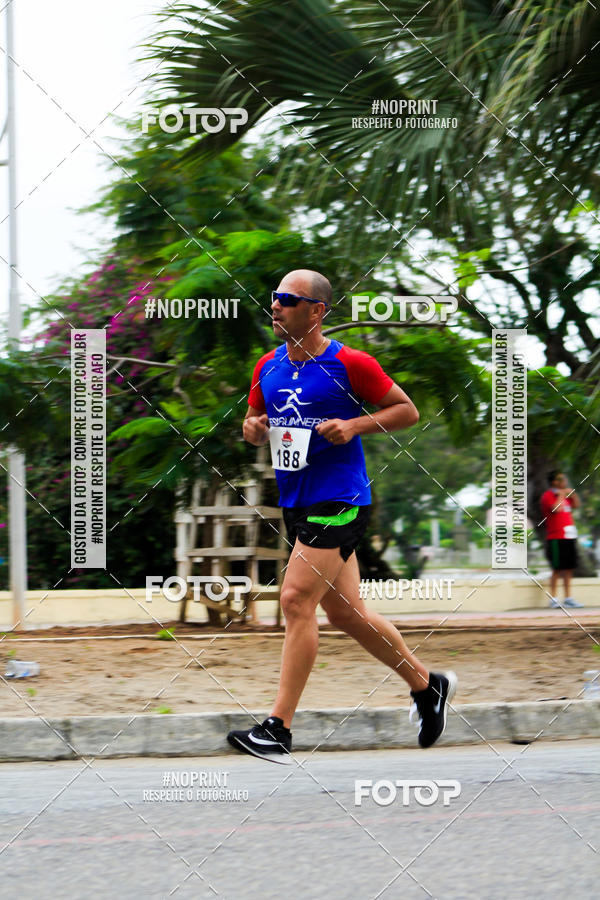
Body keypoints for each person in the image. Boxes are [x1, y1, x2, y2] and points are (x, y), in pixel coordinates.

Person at [227, 268, 457, 760]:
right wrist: (252, 428)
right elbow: (252, 421)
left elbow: (406, 411)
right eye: (274, 298)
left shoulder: (350, 363)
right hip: (297, 500)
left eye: (287, 300)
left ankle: (278, 728)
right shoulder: (266, 366)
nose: (276, 306)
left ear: (316, 311)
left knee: (294, 601)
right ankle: (426, 686)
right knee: (346, 613)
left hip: (340, 500)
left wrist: (354, 424)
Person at [540, 470, 583, 608]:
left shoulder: (565, 495)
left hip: (569, 535)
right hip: (556, 537)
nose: (564, 481)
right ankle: (553, 599)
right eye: (561, 479)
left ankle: (568, 598)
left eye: (564, 479)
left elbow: (576, 505)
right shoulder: (548, 495)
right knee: (557, 568)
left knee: (569, 568)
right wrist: (561, 495)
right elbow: (556, 509)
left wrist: (573, 494)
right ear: (554, 482)